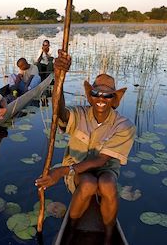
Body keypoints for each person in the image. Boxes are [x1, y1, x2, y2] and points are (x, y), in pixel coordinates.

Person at [35, 50, 136, 245]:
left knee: (107, 184)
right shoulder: (79, 114)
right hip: (79, 172)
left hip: (105, 170)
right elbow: (59, 112)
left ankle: (108, 237)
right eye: (97, 93)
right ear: (91, 96)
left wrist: (61, 171)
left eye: (107, 96)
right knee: (88, 183)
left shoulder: (124, 126)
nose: (101, 98)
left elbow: (101, 160)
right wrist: (59, 77)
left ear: (114, 100)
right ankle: (72, 230)